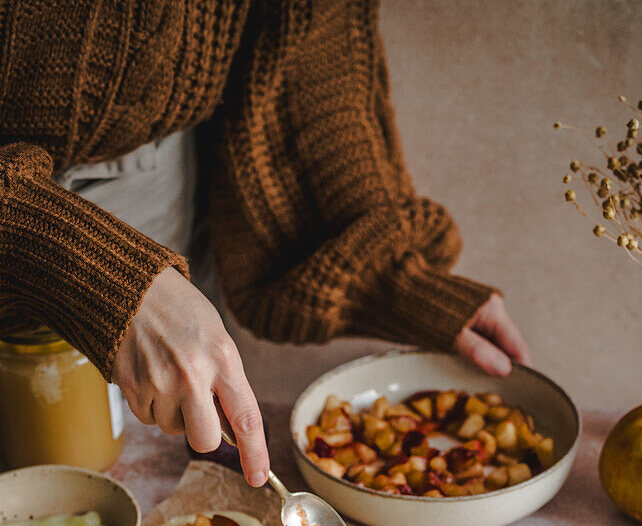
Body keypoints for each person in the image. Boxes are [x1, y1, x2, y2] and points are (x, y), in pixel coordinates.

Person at [0, 0, 531, 486]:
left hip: (153, 171)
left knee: (142, 463)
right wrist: (94, 270)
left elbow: (309, 39)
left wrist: (385, 268)